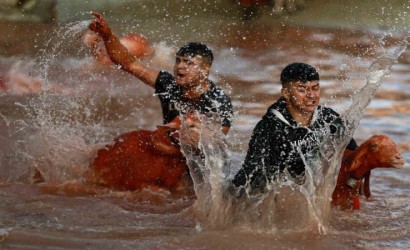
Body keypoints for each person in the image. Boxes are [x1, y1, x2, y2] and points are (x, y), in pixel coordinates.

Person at [88, 12, 234, 147]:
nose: (180, 67)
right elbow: (129, 63)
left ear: (205, 69)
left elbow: (213, 145)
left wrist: (175, 134)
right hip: (169, 148)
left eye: (188, 63)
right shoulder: (168, 84)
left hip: (197, 165)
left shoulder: (218, 102)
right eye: (178, 61)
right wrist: (107, 36)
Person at [232, 62, 357, 191]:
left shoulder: (328, 118)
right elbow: (251, 176)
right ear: (286, 93)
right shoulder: (269, 127)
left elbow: (353, 153)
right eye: (302, 89)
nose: (311, 95)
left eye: (315, 88)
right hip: (265, 195)